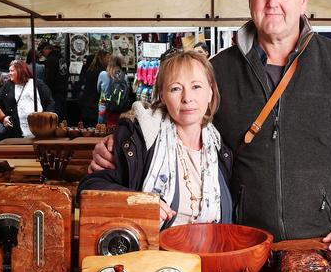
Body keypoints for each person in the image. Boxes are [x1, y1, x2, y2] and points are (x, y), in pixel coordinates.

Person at [89, 0, 331, 253]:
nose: (273, 3)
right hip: (243, 244)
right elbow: (172, 115)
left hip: (327, 244)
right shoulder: (220, 71)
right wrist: (120, 142)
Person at [79, 51, 232, 227]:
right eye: (176, 88)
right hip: (154, 253)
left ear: (211, 92)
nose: (187, 98)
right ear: (162, 96)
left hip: (212, 252)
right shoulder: (139, 139)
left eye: (196, 86)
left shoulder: (221, 148)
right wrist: (138, 203)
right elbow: (88, 189)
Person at [0, 60, 55, 139]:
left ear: (20, 71)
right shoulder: (7, 86)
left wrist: (47, 119)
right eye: (9, 71)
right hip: (16, 131)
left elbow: (49, 102)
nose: (9, 73)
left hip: (39, 128)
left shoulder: (37, 84)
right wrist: (3, 118)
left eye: (12, 71)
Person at [97, 54, 133, 127]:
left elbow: (98, 90)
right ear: (120, 63)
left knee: (102, 131)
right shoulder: (124, 77)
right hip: (120, 109)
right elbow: (128, 92)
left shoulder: (103, 74)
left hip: (104, 108)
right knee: (117, 131)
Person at [78, 50, 110, 127]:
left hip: (86, 106)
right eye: (108, 57)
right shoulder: (103, 73)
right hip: (95, 108)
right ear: (102, 58)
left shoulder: (90, 71)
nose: (109, 60)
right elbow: (104, 93)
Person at [39, 41, 69, 121]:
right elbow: (65, 73)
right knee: (62, 116)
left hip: (54, 92)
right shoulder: (61, 58)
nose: (43, 55)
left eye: (42, 52)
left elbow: (49, 78)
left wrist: (47, 91)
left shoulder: (51, 60)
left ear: (46, 49)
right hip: (63, 90)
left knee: (55, 117)